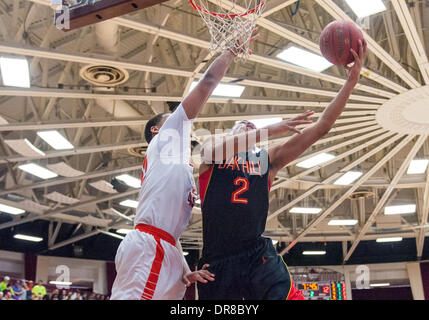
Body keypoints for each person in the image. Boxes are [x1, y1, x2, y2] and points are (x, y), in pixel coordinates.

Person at [197, 40, 367, 300]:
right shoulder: (213, 150)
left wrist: (350, 83)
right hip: (218, 262)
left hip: (257, 254)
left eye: (251, 126)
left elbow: (322, 126)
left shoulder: (268, 158)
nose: (247, 127)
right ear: (231, 133)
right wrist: (266, 130)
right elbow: (211, 152)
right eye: (242, 126)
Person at [110, 29, 259, 300]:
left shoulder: (181, 166)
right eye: (171, 116)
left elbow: (175, 227)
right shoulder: (164, 141)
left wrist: (184, 268)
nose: (179, 118)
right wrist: (231, 51)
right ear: (156, 130)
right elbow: (206, 84)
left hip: (167, 249)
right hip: (150, 244)